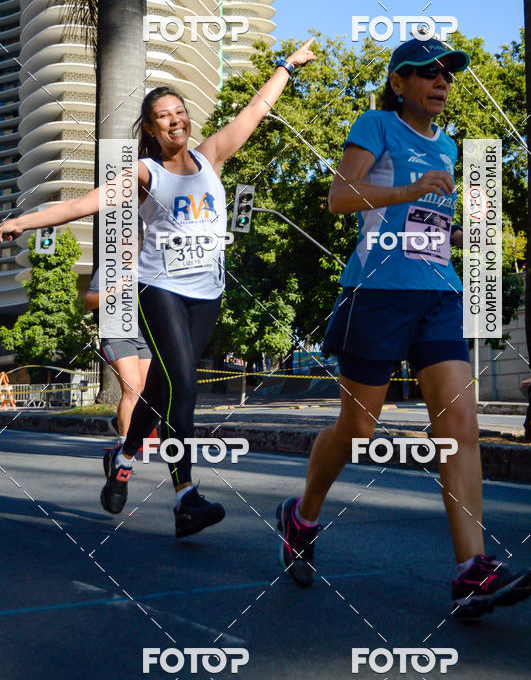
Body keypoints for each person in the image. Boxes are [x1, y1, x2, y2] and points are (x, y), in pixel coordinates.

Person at [0, 37, 316, 538]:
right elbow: (89, 201)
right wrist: (26, 220)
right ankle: (186, 498)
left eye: (180, 112)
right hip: (159, 289)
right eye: (164, 116)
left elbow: (255, 113)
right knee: (184, 388)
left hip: (207, 294)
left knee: (162, 390)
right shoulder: (146, 172)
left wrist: (287, 66)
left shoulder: (211, 158)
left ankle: (123, 457)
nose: (176, 120)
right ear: (150, 128)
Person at [276, 37, 531, 618]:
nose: (441, 82)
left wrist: (470, 239)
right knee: (359, 430)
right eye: (426, 73)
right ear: (399, 83)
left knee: (460, 424)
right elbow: (341, 198)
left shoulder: (447, 146)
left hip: (439, 296)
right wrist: (412, 190)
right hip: (378, 295)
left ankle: (471, 571)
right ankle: (302, 514)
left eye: (447, 74)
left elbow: (424, 229)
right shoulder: (376, 125)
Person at [84, 226, 152, 447]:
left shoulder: (147, 269)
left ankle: (122, 424)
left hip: (144, 337)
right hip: (117, 336)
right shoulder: (108, 269)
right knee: (132, 389)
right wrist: (114, 289)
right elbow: (89, 302)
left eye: (134, 241)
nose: (130, 245)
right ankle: (124, 445)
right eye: (125, 242)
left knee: (145, 392)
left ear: (140, 243)